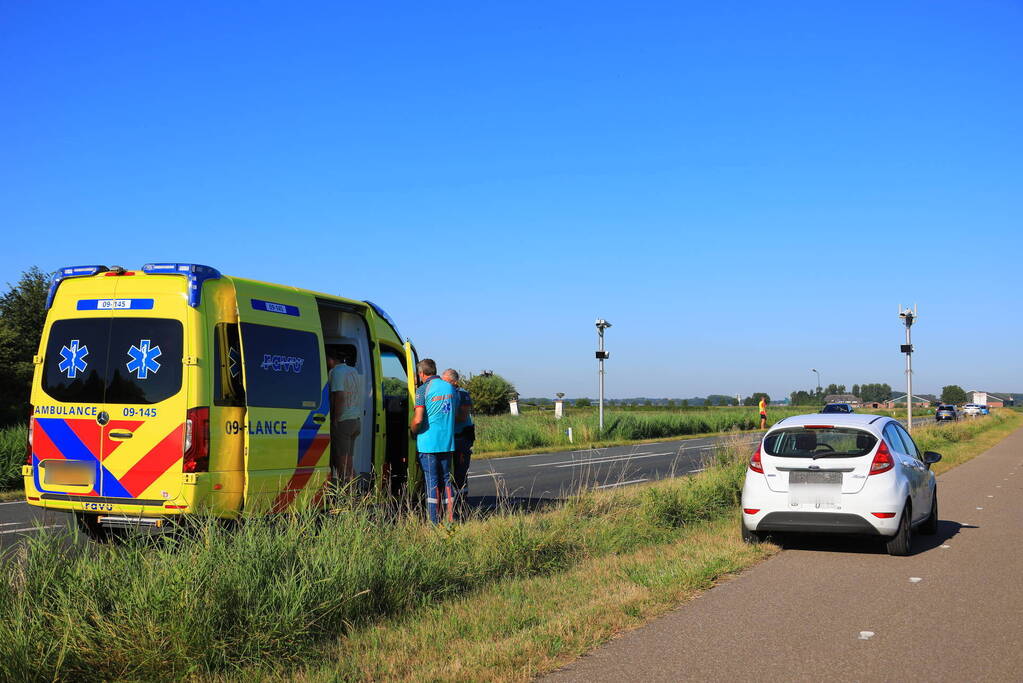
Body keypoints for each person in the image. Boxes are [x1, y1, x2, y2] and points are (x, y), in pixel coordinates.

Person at [411, 358, 458, 524]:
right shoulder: (451, 388)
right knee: (446, 480)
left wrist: (412, 430)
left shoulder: (422, 390)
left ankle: (433, 522)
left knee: (431, 481)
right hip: (447, 442)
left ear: (421, 373)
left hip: (428, 443)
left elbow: (417, 420)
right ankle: (451, 519)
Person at [442, 368, 474, 517]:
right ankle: (449, 506)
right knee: (446, 473)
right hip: (448, 438)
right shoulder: (445, 393)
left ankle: (462, 506)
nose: (443, 384)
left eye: (446, 381)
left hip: (461, 437)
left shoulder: (462, 394)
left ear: (454, 382)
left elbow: (462, 416)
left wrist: (443, 417)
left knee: (460, 473)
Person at [328, 346, 361, 483]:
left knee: (341, 463)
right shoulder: (352, 371)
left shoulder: (336, 372)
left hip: (343, 421)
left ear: (330, 360)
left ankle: (346, 496)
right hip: (355, 421)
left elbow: (339, 396)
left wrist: (335, 419)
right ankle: (354, 496)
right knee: (349, 462)